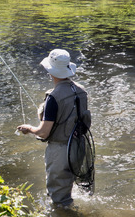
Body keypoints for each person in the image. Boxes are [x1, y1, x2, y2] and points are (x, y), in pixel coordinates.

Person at [17, 49, 89, 208]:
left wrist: (28, 128)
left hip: (60, 151)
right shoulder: (81, 90)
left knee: (58, 200)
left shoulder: (53, 97)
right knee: (70, 186)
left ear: (51, 72)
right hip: (79, 146)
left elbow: (43, 133)